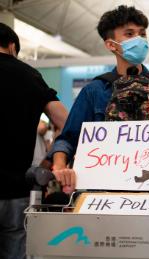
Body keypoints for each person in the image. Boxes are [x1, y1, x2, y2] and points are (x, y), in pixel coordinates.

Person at [49, 6, 149, 192]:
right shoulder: (94, 91)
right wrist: (59, 165)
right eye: (129, 34)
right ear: (111, 44)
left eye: (142, 34)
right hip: (102, 191)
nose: (138, 39)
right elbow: (68, 138)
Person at [0, 22, 68, 259]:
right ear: (11, 47)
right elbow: (65, 120)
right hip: (16, 189)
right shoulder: (28, 74)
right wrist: (50, 161)